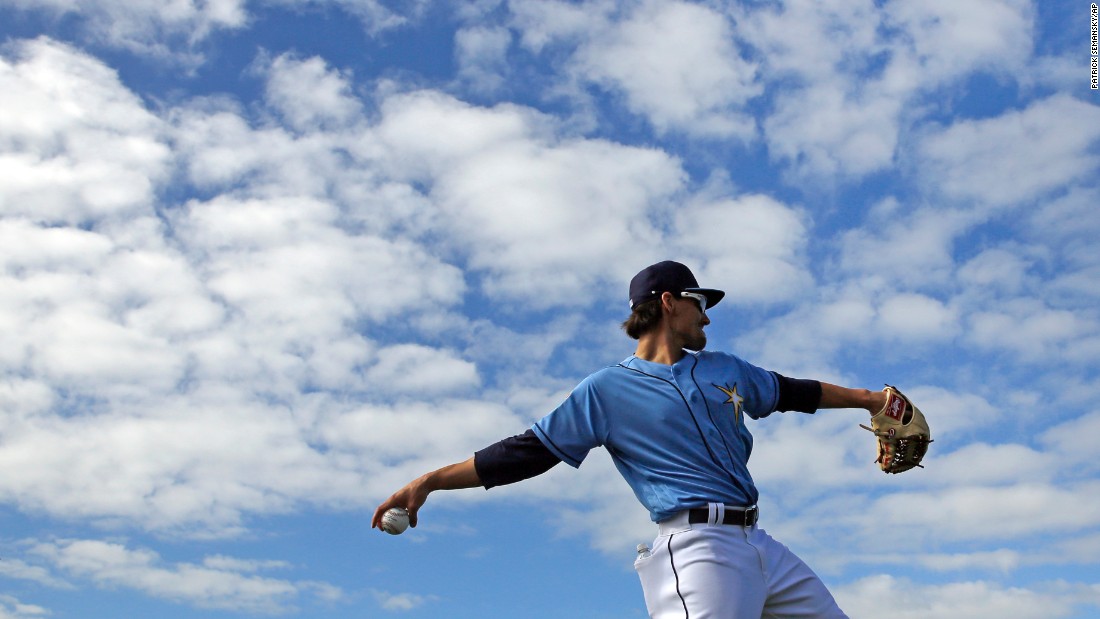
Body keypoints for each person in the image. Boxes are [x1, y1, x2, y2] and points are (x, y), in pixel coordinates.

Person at [372, 260, 888, 618]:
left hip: (761, 544)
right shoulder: (607, 390)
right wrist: (431, 481)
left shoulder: (725, 369)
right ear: (668, 302)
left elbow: (795, 392)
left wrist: (870, 400)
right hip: (698, 549)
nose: (706, 315)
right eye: (698, 302)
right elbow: (528, 452)